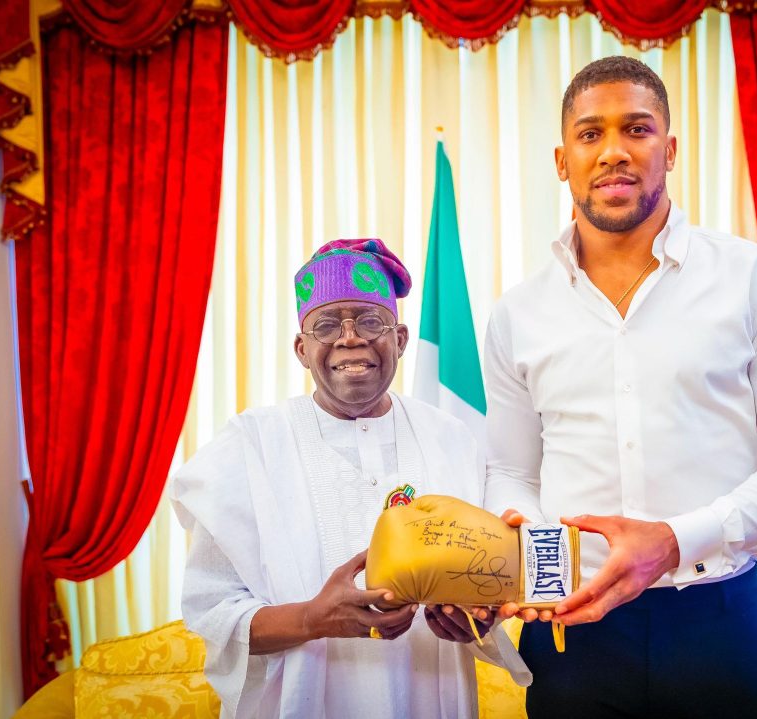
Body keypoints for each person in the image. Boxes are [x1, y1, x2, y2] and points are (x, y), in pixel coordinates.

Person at [483, 56, 757, 718]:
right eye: (591, 134)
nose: (615, 151)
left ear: (671, 149)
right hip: (571, 636)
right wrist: (543, 576)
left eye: (638, 129)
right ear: (562, 159)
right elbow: (512, 471)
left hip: (716, 624)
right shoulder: (517, 314)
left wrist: (677, 539)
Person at [172, 238, 528, 719]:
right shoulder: (249, 446)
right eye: (326, 325)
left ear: (399, 339)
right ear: (302, 349)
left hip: (432, 695)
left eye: (369, 320)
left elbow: (487, 573)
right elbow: (213, 612)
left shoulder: (453, 438)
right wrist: (311, 619)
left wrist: (473, 619)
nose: (349, 338)